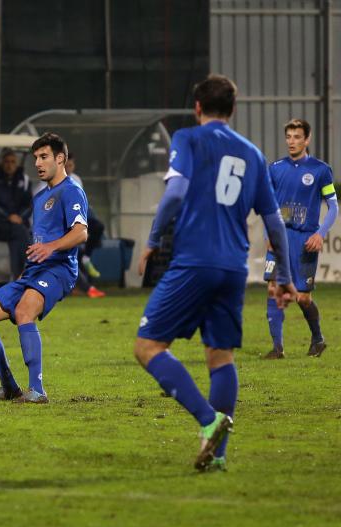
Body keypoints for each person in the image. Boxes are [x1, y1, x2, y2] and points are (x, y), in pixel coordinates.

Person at [135, 75, 298, 472]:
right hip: (232, 268)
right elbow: (274, 223)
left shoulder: (188, 140)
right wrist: (285, 277)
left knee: (148, 346)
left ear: (196, 107)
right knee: (219, 355)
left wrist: (153, 240)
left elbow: (174, 193)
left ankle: (209, 421)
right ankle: (218, 457)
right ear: (233, 109)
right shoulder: (253, 154)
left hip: (195, 261)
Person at [0, 132, 88, 404]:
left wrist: (51, 247)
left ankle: (37, 390)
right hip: (34, 271)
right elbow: (40, 241)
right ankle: (10, 387)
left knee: (24, 311)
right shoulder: (39, 197)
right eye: (35, 157)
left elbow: (81, 233)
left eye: (44, 156)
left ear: (61, 159)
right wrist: (27, 270)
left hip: (59, 270)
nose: (38, 162)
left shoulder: (71, 190)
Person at [263, 119, 336, 359]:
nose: (292, 142)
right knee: (274, 289)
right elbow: (269, 207)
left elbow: (333, 207)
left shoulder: (320, 170)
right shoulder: (275, 168)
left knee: (303, 297)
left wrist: (320, 233)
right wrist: (268, 234)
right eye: (289, 137)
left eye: (297, 137)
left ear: (307, 139)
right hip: (280, 236)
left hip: (305, 239)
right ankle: (277, 348)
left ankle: (318, 339)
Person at [0, 150, 33, 280]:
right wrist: (8, 217)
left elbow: (30, 205)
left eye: (12, 162)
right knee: (20, 232)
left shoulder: (25, 180)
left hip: (19, 225)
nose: (9, 165)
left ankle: (16, 276)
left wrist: (20, 217)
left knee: (17, 237)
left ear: (16, 164)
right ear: (1, 163)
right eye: (6, 162)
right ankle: (27, 272)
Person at [65, 157, 106, 295]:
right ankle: (86, 288)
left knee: (98, 226)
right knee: (71, 253)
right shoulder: (55, 181)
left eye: (71, 165)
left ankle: (86, 258)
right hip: (65, 224)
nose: (68, 168)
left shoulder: (76, 179)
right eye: (66, 165)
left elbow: (80, 203)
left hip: (79, 219)